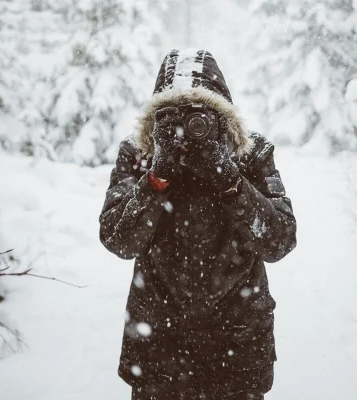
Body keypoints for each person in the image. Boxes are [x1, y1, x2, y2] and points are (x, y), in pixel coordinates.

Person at [99, 49, 297, 400]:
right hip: (159, 347)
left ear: (222, 116)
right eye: (172, 116)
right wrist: (157, 175)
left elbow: (279, 241)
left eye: (200, 117)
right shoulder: (139, 154)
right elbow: (118, 239)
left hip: (237, 346)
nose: (188, 129)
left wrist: (229, 178)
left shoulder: (250, 154)